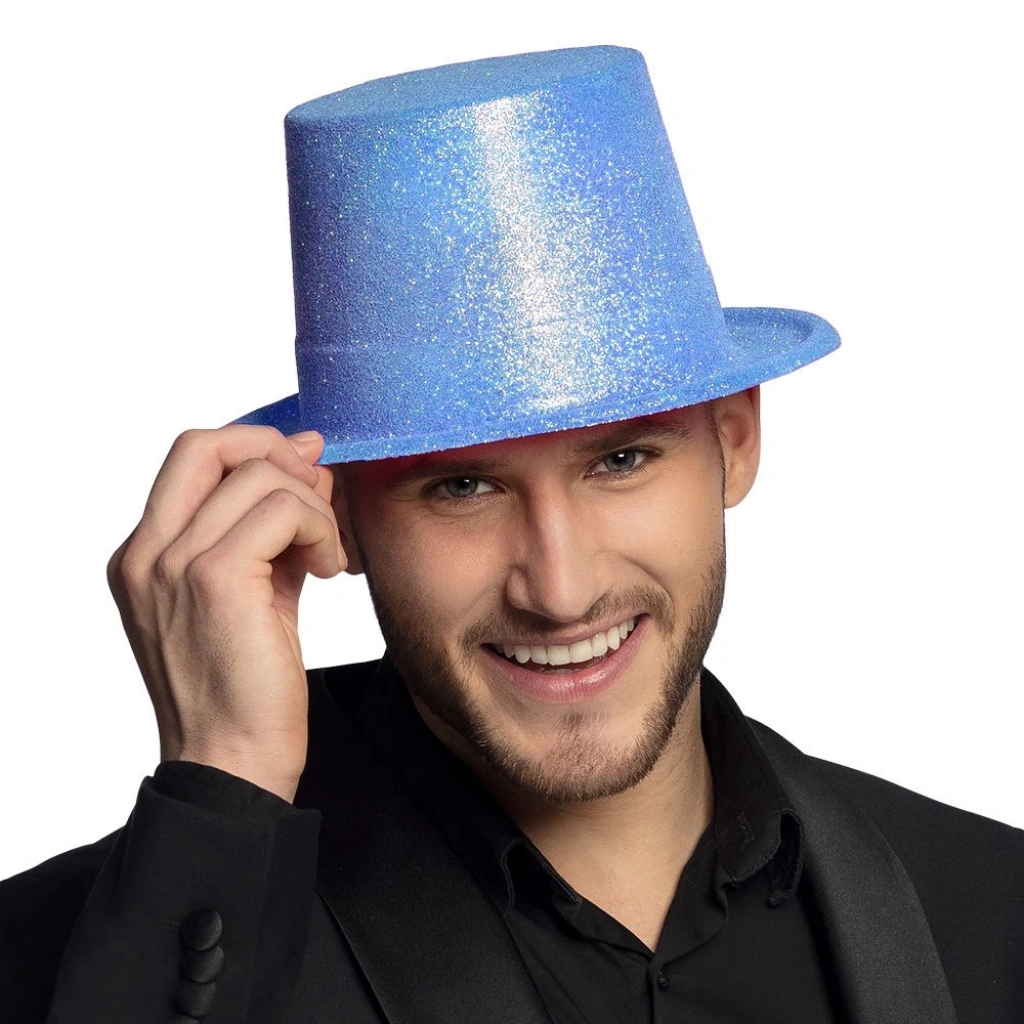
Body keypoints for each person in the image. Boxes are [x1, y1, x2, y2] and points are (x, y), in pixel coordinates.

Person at [1, 45, 1020, 1024]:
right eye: (462, 486)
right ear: (333, 510)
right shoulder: (77, 953)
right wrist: (222, 778)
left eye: (621, 460)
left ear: (736, 439)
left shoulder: (987, 912)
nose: (560, 588)